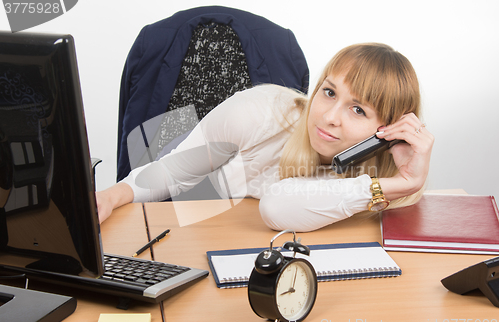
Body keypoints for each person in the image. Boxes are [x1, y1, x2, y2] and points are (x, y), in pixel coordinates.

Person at [96, 43, 434, 232]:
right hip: (211, 236)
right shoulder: (258, 113)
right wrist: (110, 197)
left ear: (386, 131)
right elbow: (173, 172)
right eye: (329, 92)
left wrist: (406, 181)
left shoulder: (383, 171)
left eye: (357, 109)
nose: (330, 117)